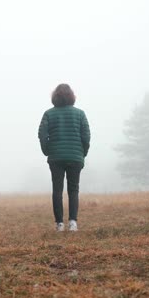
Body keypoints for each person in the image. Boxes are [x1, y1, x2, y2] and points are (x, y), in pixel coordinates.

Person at [38, 84, 90, 232]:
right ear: (72, 96)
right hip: (75, 157)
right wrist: (83, 153)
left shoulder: (48, 114)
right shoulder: (80, 114)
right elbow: (86, 136)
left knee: (57, 190)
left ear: (55, 97)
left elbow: (42, 134)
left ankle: (59, 224)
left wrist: (47, 150)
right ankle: (73, 223)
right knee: (73, 190)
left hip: (56, 158)